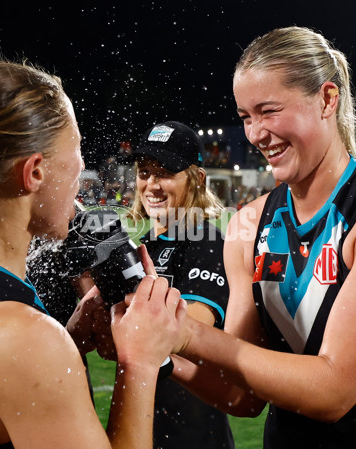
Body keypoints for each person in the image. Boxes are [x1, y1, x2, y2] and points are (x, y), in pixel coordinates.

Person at [164, 26, 356, 448]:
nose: (256, 134)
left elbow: (334, 390)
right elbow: (242, 393)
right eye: (245, 117)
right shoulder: (247, 226)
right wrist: (158, 351)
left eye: (269, 111)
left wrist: (187, 333)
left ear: (327, 100)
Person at [0, 60, 185, 449]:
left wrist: (67, 340)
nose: (83, 168)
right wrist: (140, 361)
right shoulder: (22, 339)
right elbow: (13, 357)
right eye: (76, 151)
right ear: (34, 173)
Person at [128, 121, 235, 449]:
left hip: (193, 434)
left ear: (197, 179)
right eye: (145, 172)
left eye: (165, 173)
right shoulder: (146, 243)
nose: (152, 185)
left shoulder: (205, 241)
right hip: (145, 426)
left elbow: (190, 331)